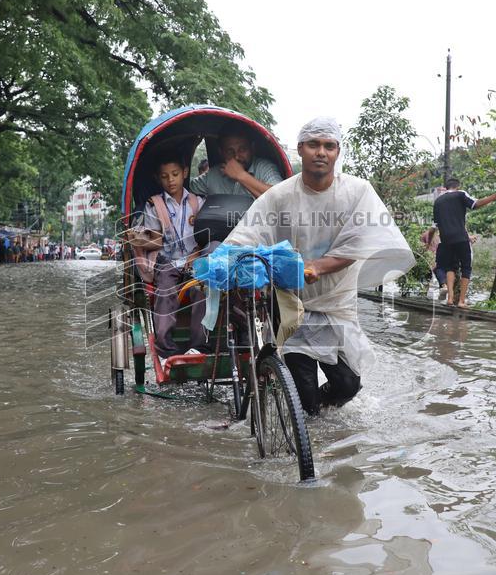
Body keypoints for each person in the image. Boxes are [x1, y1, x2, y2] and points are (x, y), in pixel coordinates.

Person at [223, 117, 414, 415]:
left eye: (329, 146)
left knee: (348, 384)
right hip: (291, 303)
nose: (321, 152)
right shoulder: (279, 195)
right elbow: (247, 234)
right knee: (305, 394)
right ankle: (308, 428)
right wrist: (226, 261)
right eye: (313, 145)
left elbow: (360, 241)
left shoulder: (357, 192)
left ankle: (321, 418)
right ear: (300, 149)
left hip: (336, 302)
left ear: (338, 152)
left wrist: (317, 267)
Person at [130, 156, 207, 359]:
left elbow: (205, 236)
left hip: (194, 259)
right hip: (166, 261)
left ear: (185, 173)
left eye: (175, 174)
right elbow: (153, 238)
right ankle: (165, 349)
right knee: (165, 290)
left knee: (201, 289)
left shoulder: (198, 202)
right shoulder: (153, 205)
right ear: (158, 178)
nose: (170, 180)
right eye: (164, 176)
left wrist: (196, 253)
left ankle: (199, 346)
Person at [432, 178, 496, 307]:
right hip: (461, 238)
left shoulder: (438, 201)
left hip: (446, 240)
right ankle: (461, 301)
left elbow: (436, 224)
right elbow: (476, 204)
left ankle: (450, 299)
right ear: (458, 186)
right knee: (466, 268)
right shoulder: (461, 194)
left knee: (450, 267)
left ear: (446, 187)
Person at [189, 123, 284, 198]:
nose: (237, 156)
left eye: (242, 149)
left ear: (252, 148)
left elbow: (281, 197)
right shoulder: (212, 175)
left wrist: (241, 175)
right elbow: (186, 188)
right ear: (221, 152)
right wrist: (192, 147)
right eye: (230, 151)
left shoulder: (264, 168)